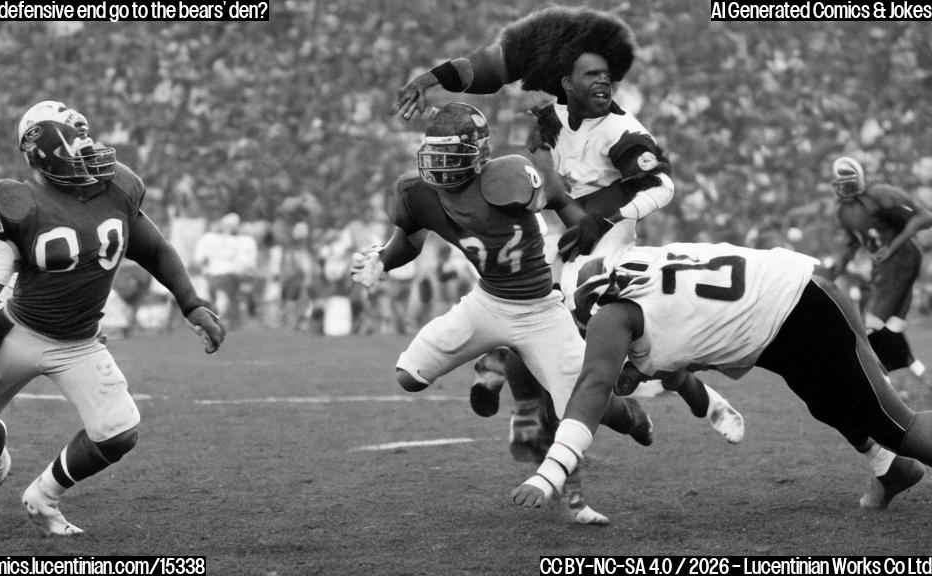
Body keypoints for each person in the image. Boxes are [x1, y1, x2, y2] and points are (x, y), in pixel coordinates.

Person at [395, 6, 743, 465]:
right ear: (567, 83)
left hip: (609, 243)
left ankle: (703, 402)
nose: (605, 82)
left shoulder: (623, 131)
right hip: (567, 242)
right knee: (546, 320)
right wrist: (430, 79)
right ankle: (520, 398)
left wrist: (602, 218)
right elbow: (487, 70)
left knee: (632, 345)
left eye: (607, 75)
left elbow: (662, 184)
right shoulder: (551, 117)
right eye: (592, 75)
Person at [0, 101, 226, 537]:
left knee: (118, 431)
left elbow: (155, 249)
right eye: (75, 139)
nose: (90, 147)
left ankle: (43, 495)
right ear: (43, 150)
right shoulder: (15, 202)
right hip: (20, 330)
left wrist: (191, 303)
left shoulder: (117, 186)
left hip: (79, 342)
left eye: (87, 136)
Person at [351, 102, 654, 524]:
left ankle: (634, 417)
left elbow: (560, 200)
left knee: (586, 406)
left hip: (539, 310)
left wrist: (582, 232)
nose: (438, 166)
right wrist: (382, 259)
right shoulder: (416, 193)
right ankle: (491, 357)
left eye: (449, 156)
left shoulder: (509, 177)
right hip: (487, 302)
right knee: (409, 376)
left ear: (478, 155)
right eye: (433, 155)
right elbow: (409, 242)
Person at [512, 240, 929, 516]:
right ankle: (892, 470)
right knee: (826, 404)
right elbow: (681, 374)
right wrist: (708, 406)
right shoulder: (653, 277)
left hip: (802, 312)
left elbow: (593, 387)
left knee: (894, 424)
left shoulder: (613, 314)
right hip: (790, 311)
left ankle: (894, 455)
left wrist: (552, 470)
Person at [825, 156, 932, 392]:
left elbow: (925, 217)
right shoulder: (843, 211)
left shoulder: (881, 194)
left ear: (860, 179)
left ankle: (885, 386)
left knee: (872, 324)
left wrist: (893, 246)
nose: (845, 188)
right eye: (841, 183)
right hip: (882, 266)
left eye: (850, 182)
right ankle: (912, 375)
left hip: (902, 256)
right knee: (888, 327)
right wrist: (830, 275)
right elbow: (852, 244)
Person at [193, 212, 257, 331]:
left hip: (215, 274)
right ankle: (219, 323)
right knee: (225, 301)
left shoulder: (211, 238)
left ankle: (217, 324)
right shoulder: (239, 240)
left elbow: (199, 260)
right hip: (227, 275)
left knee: (220, 301)